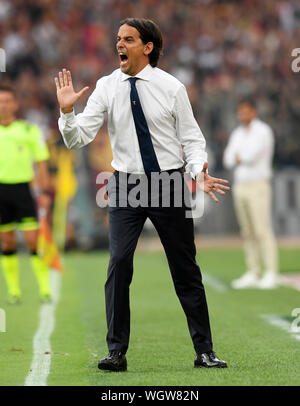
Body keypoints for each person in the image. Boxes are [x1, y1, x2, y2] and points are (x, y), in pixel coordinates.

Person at [56, 18, 230, 371]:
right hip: (125, 185)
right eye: (118, 38)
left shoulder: (172, 87)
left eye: (128, 39)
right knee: (119, 263)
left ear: (147, 47)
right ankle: (116, 352)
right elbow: (77, 138)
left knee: (185, 270)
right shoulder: (107, 86)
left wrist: (198, 172)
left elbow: (193, 140)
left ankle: (204, 351)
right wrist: (66, 111)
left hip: (169, 183)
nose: (119, 44)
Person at [0, 85, 52, 304]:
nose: (3, 105)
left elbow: (41, 162)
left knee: (32, 240)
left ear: (15, 104)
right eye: (0, 101)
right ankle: (13, 291)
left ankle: (44, 288)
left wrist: (44, 191)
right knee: (7, 242)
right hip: (1, 191)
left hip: (23, 190)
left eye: (7, 101)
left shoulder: (29, 130)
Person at [223, 99, 278, 289]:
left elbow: (252, 155)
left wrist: (240, 156)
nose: (243, 115)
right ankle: (253, 271)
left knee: (262, 229)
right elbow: (228, 158)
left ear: (254, 112)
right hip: (241, 185)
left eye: (246, 111)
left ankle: (271, 272)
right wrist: (240, 157)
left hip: (258, 184)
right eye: (241, 111)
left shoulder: (263, 131)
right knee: (247, 231)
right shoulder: (237, 133)